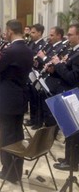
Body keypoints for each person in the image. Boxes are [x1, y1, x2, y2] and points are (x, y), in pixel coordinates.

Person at [0, 19, 33, 183]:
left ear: (10, 31)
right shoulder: (27, 49)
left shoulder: (10, 51)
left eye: (6, 31)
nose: (5, 34)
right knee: (18, 136)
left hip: (7, 100)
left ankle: (8, 172)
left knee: (7, 137)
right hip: (20, 97)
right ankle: (16, 171)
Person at [43, 23, 79, 171]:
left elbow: (73, 78)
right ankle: (68, 158)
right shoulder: (73, 52)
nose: (67, 37)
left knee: (73, 131)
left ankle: (72, 162)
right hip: (67, 94)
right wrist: (53, 70)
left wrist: (58, 64)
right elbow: (64, 72)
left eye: (70, 35)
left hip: (73, 95)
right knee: (68, 130)